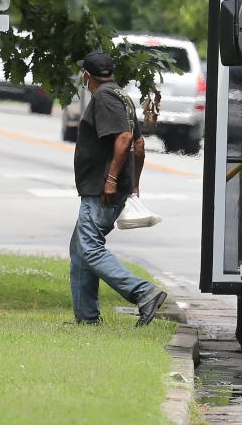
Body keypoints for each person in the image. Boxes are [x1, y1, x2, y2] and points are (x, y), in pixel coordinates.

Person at [70, 50, 167, 326]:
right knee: (79, 251)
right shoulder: (122, 96)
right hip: (109, 189)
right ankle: (87, 318)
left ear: (87, 75)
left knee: (89, 249)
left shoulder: (103, 98)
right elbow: (139, 144)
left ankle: (144, 292)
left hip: (101, 191)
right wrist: (133, 186)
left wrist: (112, 181)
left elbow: (125, 138)